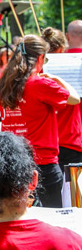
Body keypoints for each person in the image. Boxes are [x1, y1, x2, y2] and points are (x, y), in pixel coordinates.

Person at [0, 35, 80, 207]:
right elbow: (74, 99)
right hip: (43, 161)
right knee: (55, 214)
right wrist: (57, 79)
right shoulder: (39, 83)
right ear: (41, 58)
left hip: (14, 157)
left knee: (17, 212)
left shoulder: (5, 84)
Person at [42, 28, 82, 180]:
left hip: (46, 144)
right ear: (61, 48)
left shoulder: (36, 73)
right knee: (73, 197)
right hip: (71, 140)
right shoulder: (76, 66)